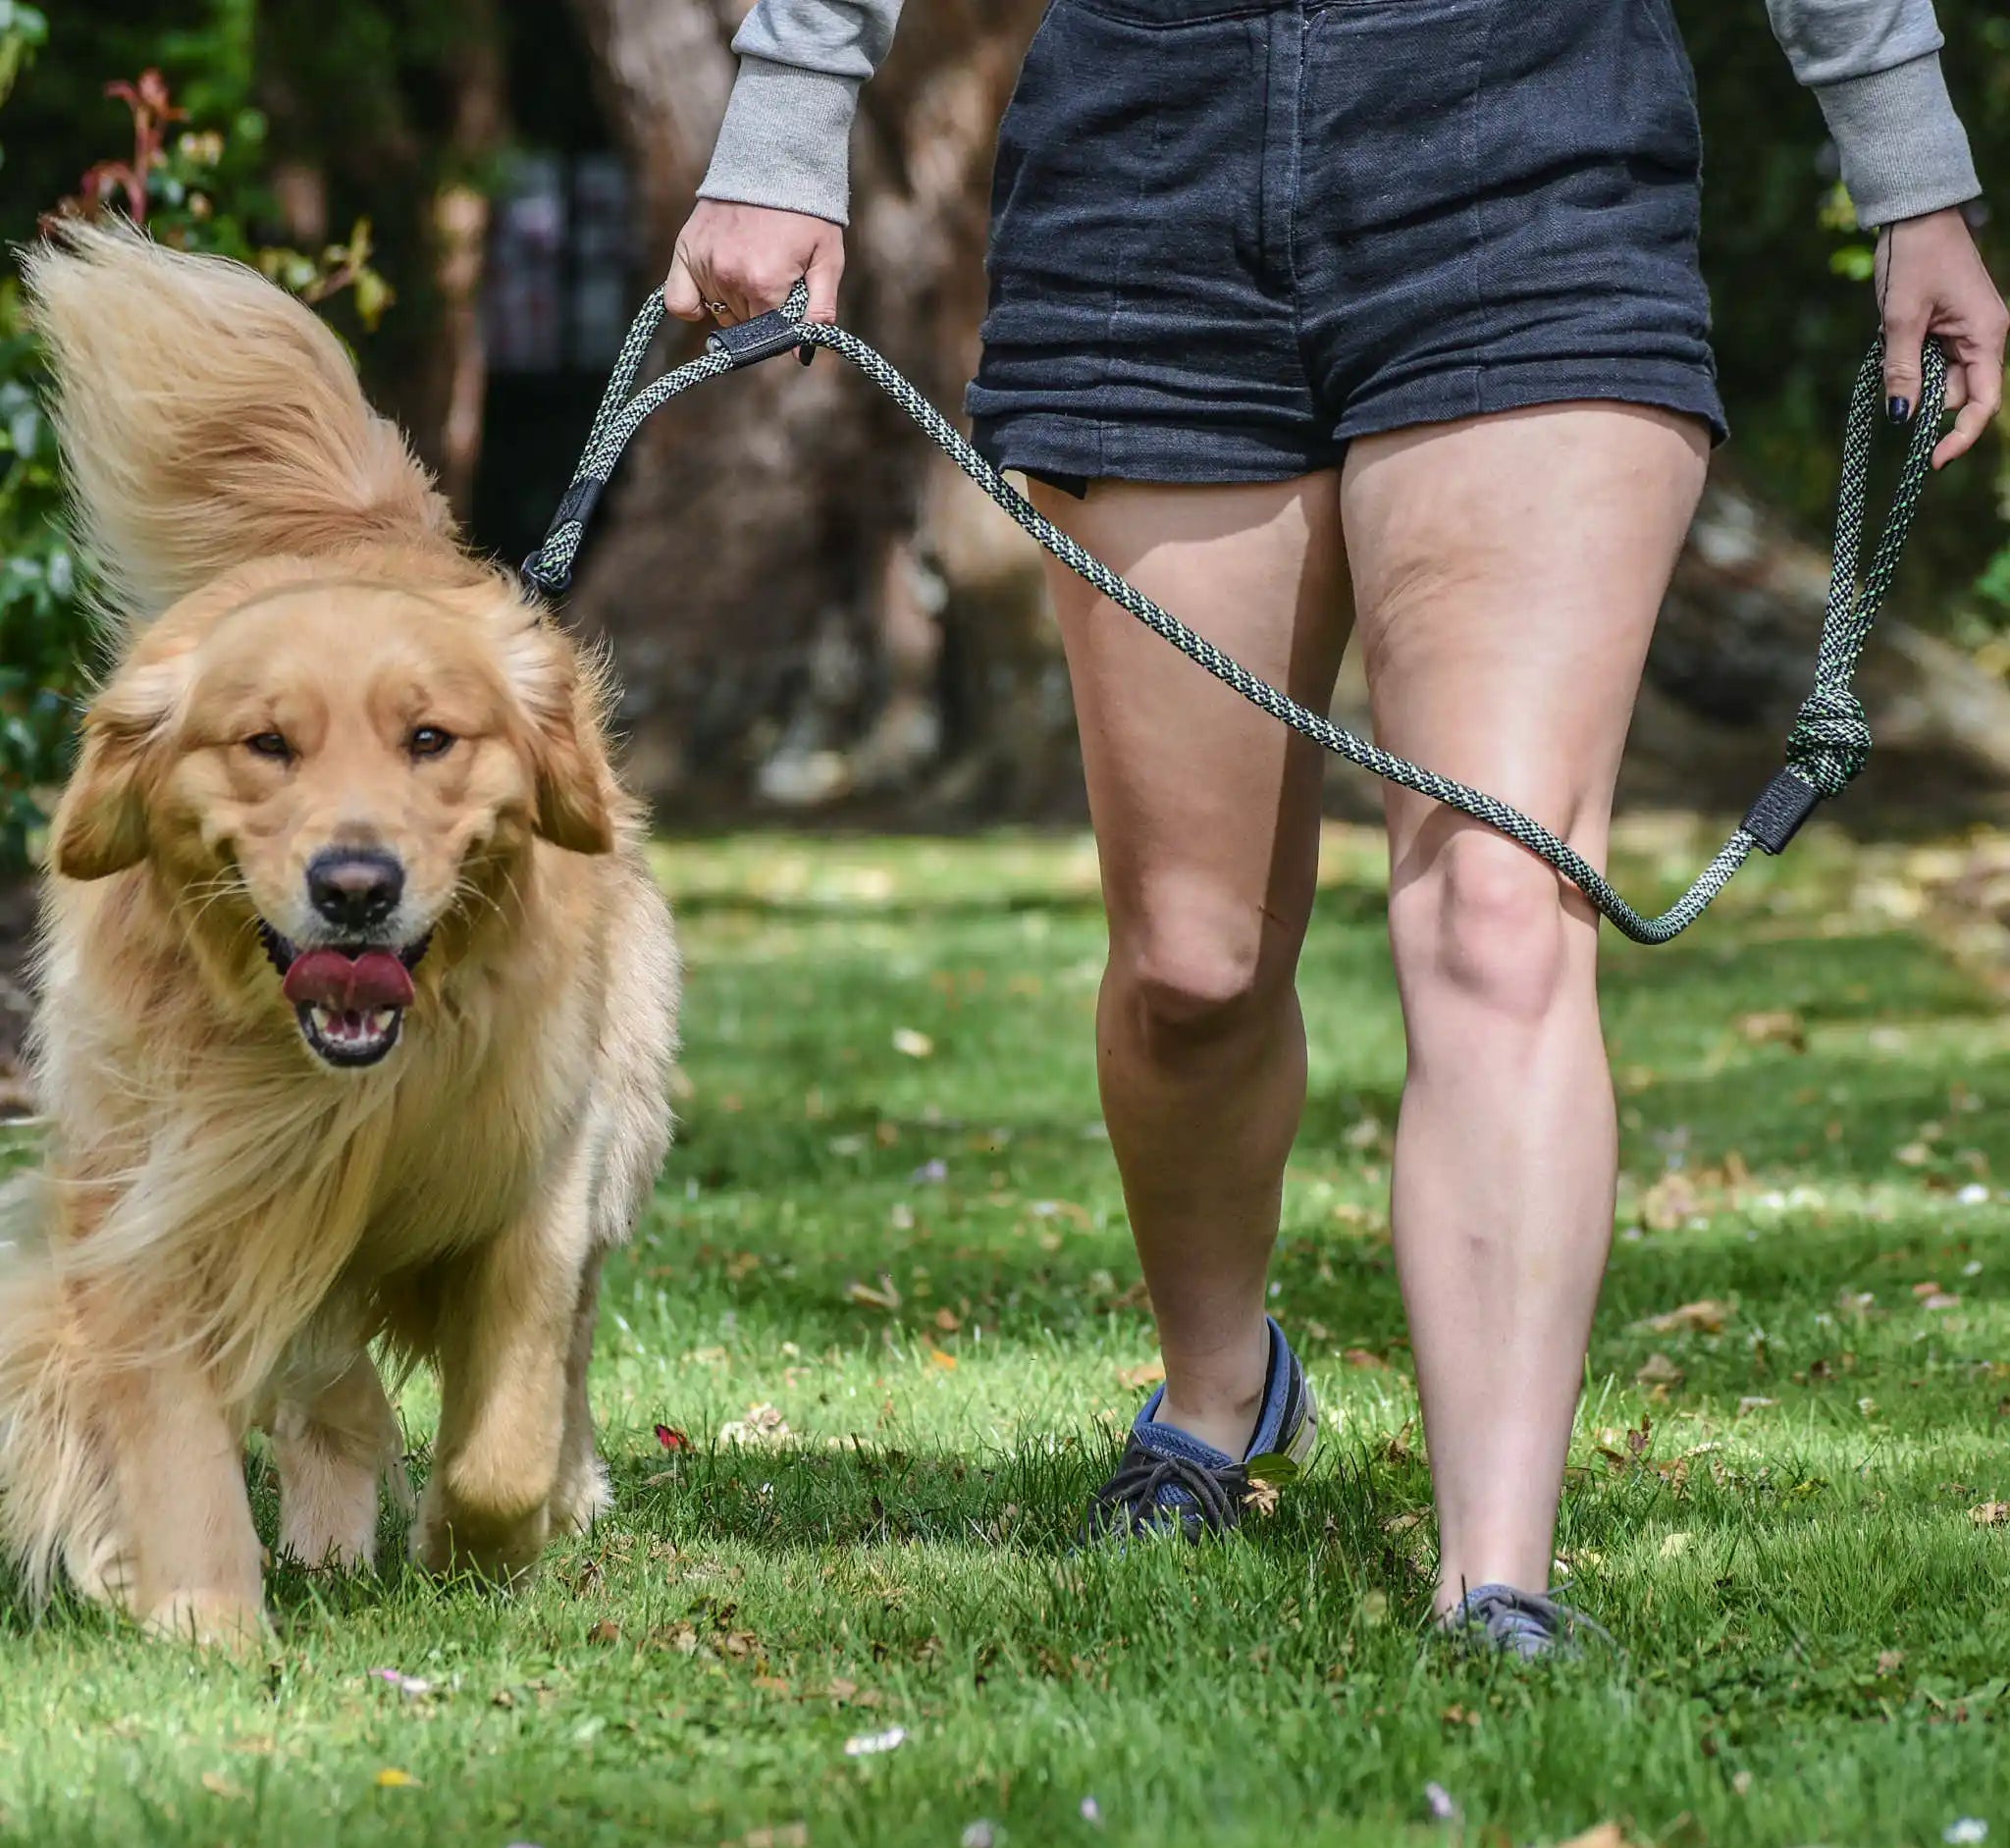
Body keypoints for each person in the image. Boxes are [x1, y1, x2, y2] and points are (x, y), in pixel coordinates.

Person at [666, 0, 2005, 1652]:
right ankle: (1222, 1396)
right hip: (1148, 166)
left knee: (1501, 910)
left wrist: (1912, 178)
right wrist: (787, 122)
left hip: (1531, 146)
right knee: (1191, 966)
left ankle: (1492, 1576)